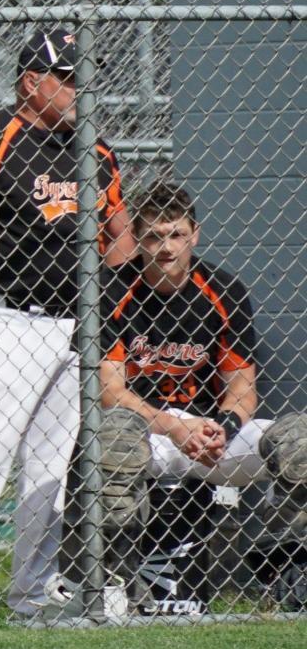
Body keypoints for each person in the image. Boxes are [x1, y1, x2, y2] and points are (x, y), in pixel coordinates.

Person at [0, 24, 135, 624]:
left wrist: (103, 304)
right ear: (30, 82)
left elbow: (121, 236)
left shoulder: (95, 149)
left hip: (75, 328)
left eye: (86, 81)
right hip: (9, 318)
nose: (80, 92)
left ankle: (32, 595)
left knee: (50, 468)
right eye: (67, 80)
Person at [91, 180, 306, 610]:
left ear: (195, 234)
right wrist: (173, 426)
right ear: (136, 237)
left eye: (176, 234)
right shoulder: (112, 290)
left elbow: (242, 391)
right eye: (153, 235)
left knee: (300, 440)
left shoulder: (222, 290)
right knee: (111, 440)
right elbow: (111, 392)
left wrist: (220, 428)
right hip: (147, 433)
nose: (166, 248)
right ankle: (114, 579)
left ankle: (282, 556)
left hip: (209, 434)